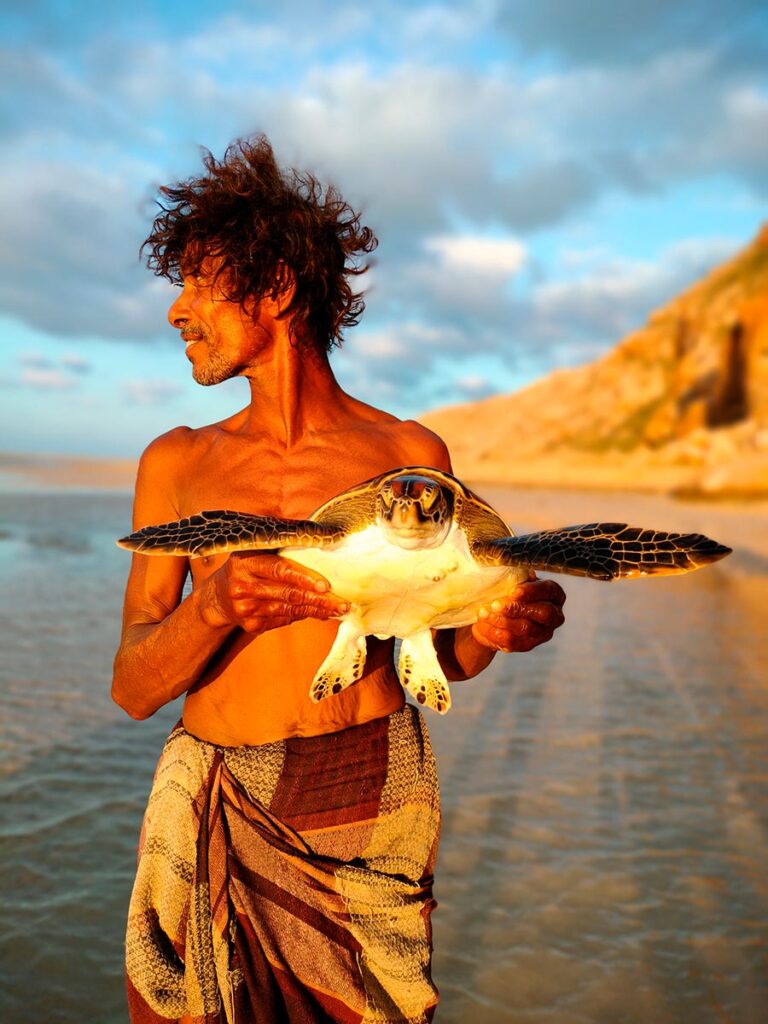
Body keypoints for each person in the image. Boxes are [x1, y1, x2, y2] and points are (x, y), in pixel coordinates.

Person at [112, 136, 566, 1024]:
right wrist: (214, 607)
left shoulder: (409, 455)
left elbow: (433, 657)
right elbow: (133, 688)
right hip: (217, 797)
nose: (176, 310)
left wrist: (491, 632)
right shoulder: (176, 462)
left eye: (200, 283)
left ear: (278, 288)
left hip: (368, 796)